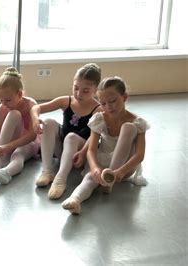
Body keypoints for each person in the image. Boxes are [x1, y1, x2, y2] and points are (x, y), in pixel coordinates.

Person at [62, 77, 149, 215]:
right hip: (104, 159)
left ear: (124, 97)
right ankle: (75, 200)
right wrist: (95, 168)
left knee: (128, 127)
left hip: (124, 168)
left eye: (113, 101)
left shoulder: (136, 122)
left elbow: (140, 155)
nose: (108, 107)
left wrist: (120, 172)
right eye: (103, 103)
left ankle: (109, 181)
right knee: (91, 177)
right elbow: (91, 150)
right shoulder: (100, 118)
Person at [31, 63, 102, 199]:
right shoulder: (66, 101)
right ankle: (47, 171)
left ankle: (60, 179)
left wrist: (82, 153)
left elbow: (95, 136)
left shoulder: (98, 110)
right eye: (76, 88)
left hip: (81, 155)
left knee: (71, 137)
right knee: (49, 122)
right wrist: (35, 119)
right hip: (62, 151)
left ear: (96, 89)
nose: (78, 94)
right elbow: (36, 108)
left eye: (85, 91)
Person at [0, 67, 40, 184]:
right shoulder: (3, 107)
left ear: (19, 94)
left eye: (7, 100)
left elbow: (32, 136)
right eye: (1, 100)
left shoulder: (31, 105)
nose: (4, 103)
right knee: (13, 114)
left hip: (28, 143)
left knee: (18, 154)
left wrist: (8, 146)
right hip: (9, 143)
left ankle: (6, 172)